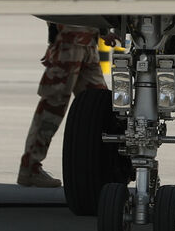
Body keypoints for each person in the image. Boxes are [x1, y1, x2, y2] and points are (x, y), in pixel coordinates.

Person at [17, 22, 108, 188]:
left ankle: (102, 169)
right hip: (69, 45)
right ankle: (30, 168)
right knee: (52, 107)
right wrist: (55, 42)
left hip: (88, 44)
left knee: (100, 106)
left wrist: (103, 29)